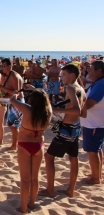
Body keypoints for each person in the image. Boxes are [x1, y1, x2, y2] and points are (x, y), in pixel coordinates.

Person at [38, 64, 85, 197]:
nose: (61, 77)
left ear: (72, 75)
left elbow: (77, 110)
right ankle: (70, 189)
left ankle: (50, 190)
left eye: (63, 75)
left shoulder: (70, 88)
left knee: (48, 157)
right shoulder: (81, 89)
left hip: (67, 129)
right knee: (73, 158)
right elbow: (84, 113)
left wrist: (56, 110)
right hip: (75, 128)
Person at [11, 89, 51, 213]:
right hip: (39, 144)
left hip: (25, 144)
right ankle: (32, 204)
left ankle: (23, 208)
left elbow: (12, 100)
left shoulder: (27, 110)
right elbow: (46, 102)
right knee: (35, 178)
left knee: (25, 179)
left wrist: (16, 93)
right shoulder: (48, 112)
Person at [80, 60, 104, 184]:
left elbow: (89, 104)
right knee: (97, 149)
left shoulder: (101, 84)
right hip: (96, 123)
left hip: (95, 124)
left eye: (91, 70)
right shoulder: (99, 83)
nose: (89, 72)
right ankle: (97, 174)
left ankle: (96, 178)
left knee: (92, 150)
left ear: (99, 71)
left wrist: (77, 106)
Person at [0, 58, 24, 150]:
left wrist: (2, 88)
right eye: (2, 66)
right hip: (12, 102)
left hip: (18, 102)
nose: (2, 68)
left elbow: (17, 92)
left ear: (9, 66)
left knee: (13, 125)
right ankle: (15, 144)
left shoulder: (14, 76)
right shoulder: (9, 75)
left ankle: (15, 145)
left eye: (4, 66)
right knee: (12, 124)